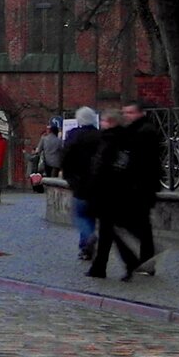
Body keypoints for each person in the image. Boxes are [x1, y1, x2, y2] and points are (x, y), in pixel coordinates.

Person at [89, 100, 164, 280]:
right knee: (118, 228)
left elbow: (136, 163)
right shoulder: (131, 133)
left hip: (133, 188)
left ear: (140, 113)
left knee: (127, 227)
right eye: (124, 113)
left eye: (130, 112)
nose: (126, 116)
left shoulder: (140, 133)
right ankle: (111, 265)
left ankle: (139, 261)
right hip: (129, 188)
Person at [59, 106, 103, 260]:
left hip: (79, 181)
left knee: (80, 215)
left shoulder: (74, 135)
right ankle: (86, 247)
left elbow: (65, 157)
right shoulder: (100, 136)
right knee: (90, 215)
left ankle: (87, 240)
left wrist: (68, 176)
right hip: (97, 182)